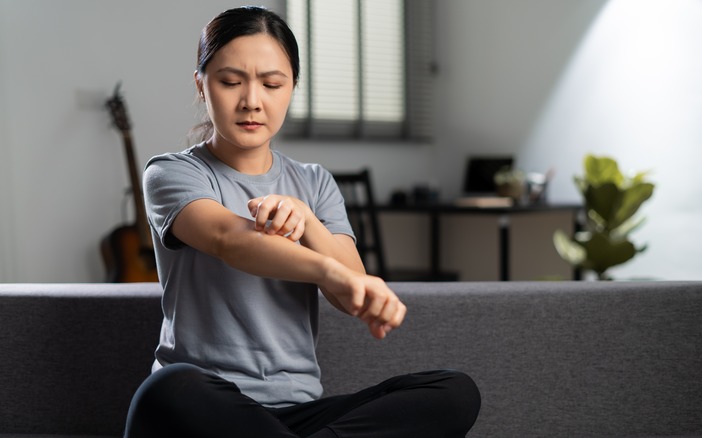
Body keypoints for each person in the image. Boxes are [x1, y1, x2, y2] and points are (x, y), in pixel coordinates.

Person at [123, 6, 481, 437]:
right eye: (230, 82)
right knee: (170, 386)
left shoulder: (315, 183)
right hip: (204, 406)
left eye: (272, 84)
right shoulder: (171, 173)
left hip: (296, 412)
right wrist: (326, 269)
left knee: (455, 392)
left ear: (292, 86)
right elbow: (228, 239)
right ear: (201, 84)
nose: (252, 101)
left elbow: (352, 294)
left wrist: (308, 221)